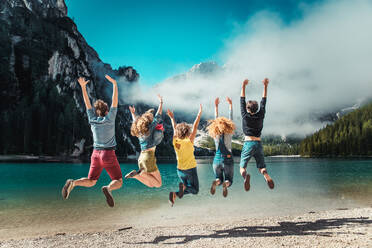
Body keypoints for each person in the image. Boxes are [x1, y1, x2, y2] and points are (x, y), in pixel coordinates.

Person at [62, 75, 122, 207]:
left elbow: (87, 103)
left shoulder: (92, 119)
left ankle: (73, 183)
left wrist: (83, 87)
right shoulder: (110, 118)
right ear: (107, 111)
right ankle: (108, 188)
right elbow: (115, 100)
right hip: (108, 154)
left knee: (91, 181)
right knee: (118, 180)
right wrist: (115, 85)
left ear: (97, 111)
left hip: (95, 154)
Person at [240, 78, 274, 191]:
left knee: (242, 167)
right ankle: (265, 175)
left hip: (248, 143)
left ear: (247, 108)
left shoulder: (245, 115)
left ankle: (245, 177)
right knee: (262, 167)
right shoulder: (261, 115)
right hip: (258, 143)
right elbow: (264, 101)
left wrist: (243, 86)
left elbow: (242, 100)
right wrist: (265, 86)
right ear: (257, 108)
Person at [125, 95, 164, 188]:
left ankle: (137, 175)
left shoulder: (139, 131)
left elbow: (135, 122)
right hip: (148, 158)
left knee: (151, 184)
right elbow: (158, 116)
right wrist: (161, 103)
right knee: (158, 184)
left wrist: (133, 114)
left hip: (141, 158)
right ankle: (139, 174)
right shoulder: (149, 129)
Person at [167, 104, 202, 206]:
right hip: (190, 169)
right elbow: (195, 126)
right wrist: (199, 113)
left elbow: (174, 127)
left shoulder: (175, 140)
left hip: (180, 170)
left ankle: (175, 194)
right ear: (187, 132)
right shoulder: (189, 141)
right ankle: (181, 190)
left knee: (188, 189)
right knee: (195, 190)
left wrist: (172, 117)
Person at [207, 97, 236, 197]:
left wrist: (216, 106)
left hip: (217, 160)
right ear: (228, 125)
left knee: (218, 177)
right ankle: (226, 183)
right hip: (228, 159)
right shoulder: (229, 132)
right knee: (229, 180)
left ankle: (217, 182)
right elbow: (231, 118)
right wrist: (230, 105)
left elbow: (215, 120)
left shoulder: (215, 133)